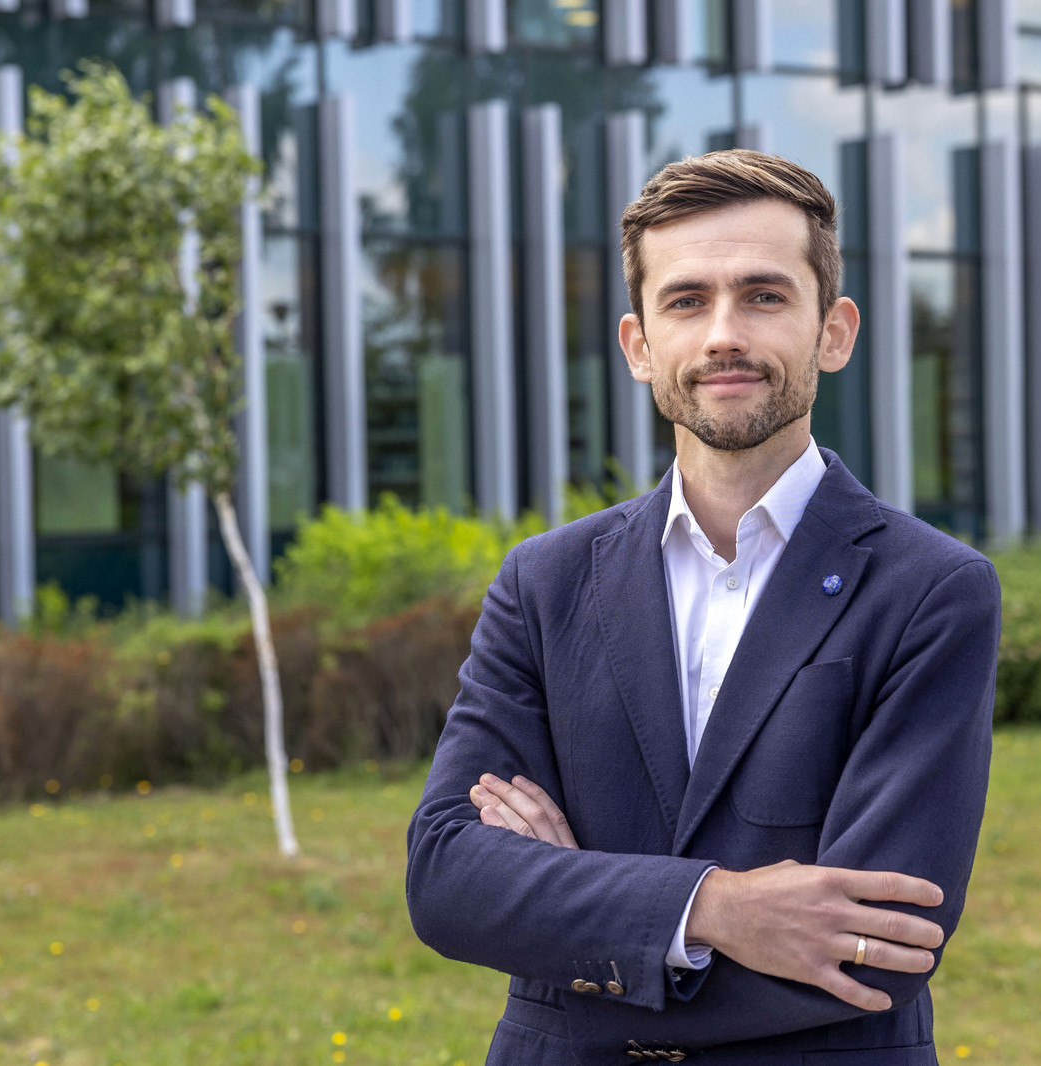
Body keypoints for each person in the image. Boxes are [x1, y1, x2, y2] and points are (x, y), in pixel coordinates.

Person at [406, 149, 1000, 1065]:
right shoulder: (544, 582)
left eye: (764, 296)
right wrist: (715, 908)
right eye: (686, 301)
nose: (724, 333)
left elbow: (876, 945)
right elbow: (448, 879)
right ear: (639, 346)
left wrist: (572, 919)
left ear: (833, 332)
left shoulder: (930, 591)